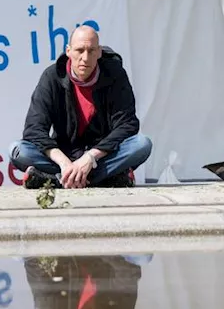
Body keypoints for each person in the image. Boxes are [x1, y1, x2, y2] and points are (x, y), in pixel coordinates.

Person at [8, 25, 152, 189]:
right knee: (18, 151)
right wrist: (65, 164)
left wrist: (90, 158)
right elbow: (34, 129)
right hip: (64, 156)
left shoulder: (115, 74)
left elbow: (127, 124)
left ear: (99, 52)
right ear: (68, 51)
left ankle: (56, 180)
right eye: (79, 50)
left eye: (91, 51)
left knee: (142, 144)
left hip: (101, 157)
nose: (85, 57)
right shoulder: (52, 76)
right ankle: (99, 179)